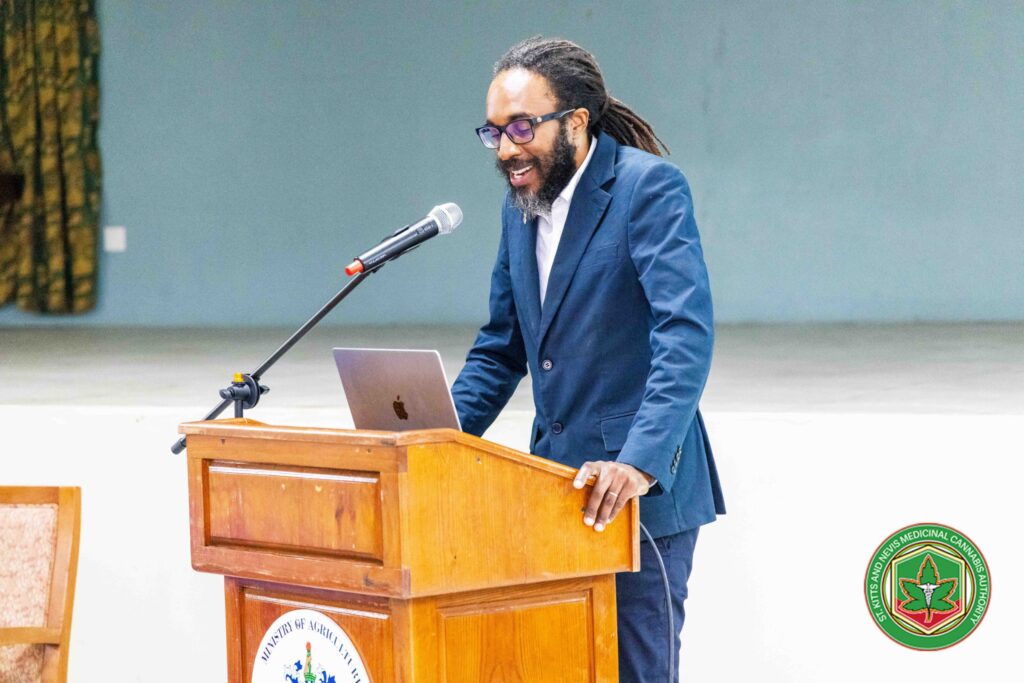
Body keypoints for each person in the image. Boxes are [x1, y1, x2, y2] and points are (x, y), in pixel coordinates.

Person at [451, 36, 725, 683]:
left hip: (636, 499)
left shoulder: (647, 189)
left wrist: (637, 463)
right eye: (494, 132)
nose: (507, 148)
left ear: (575, 121)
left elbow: (684, 335)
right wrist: (435, 435)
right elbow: (502, 346)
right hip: (553, 490)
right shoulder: (520, 207)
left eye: (522, 127)